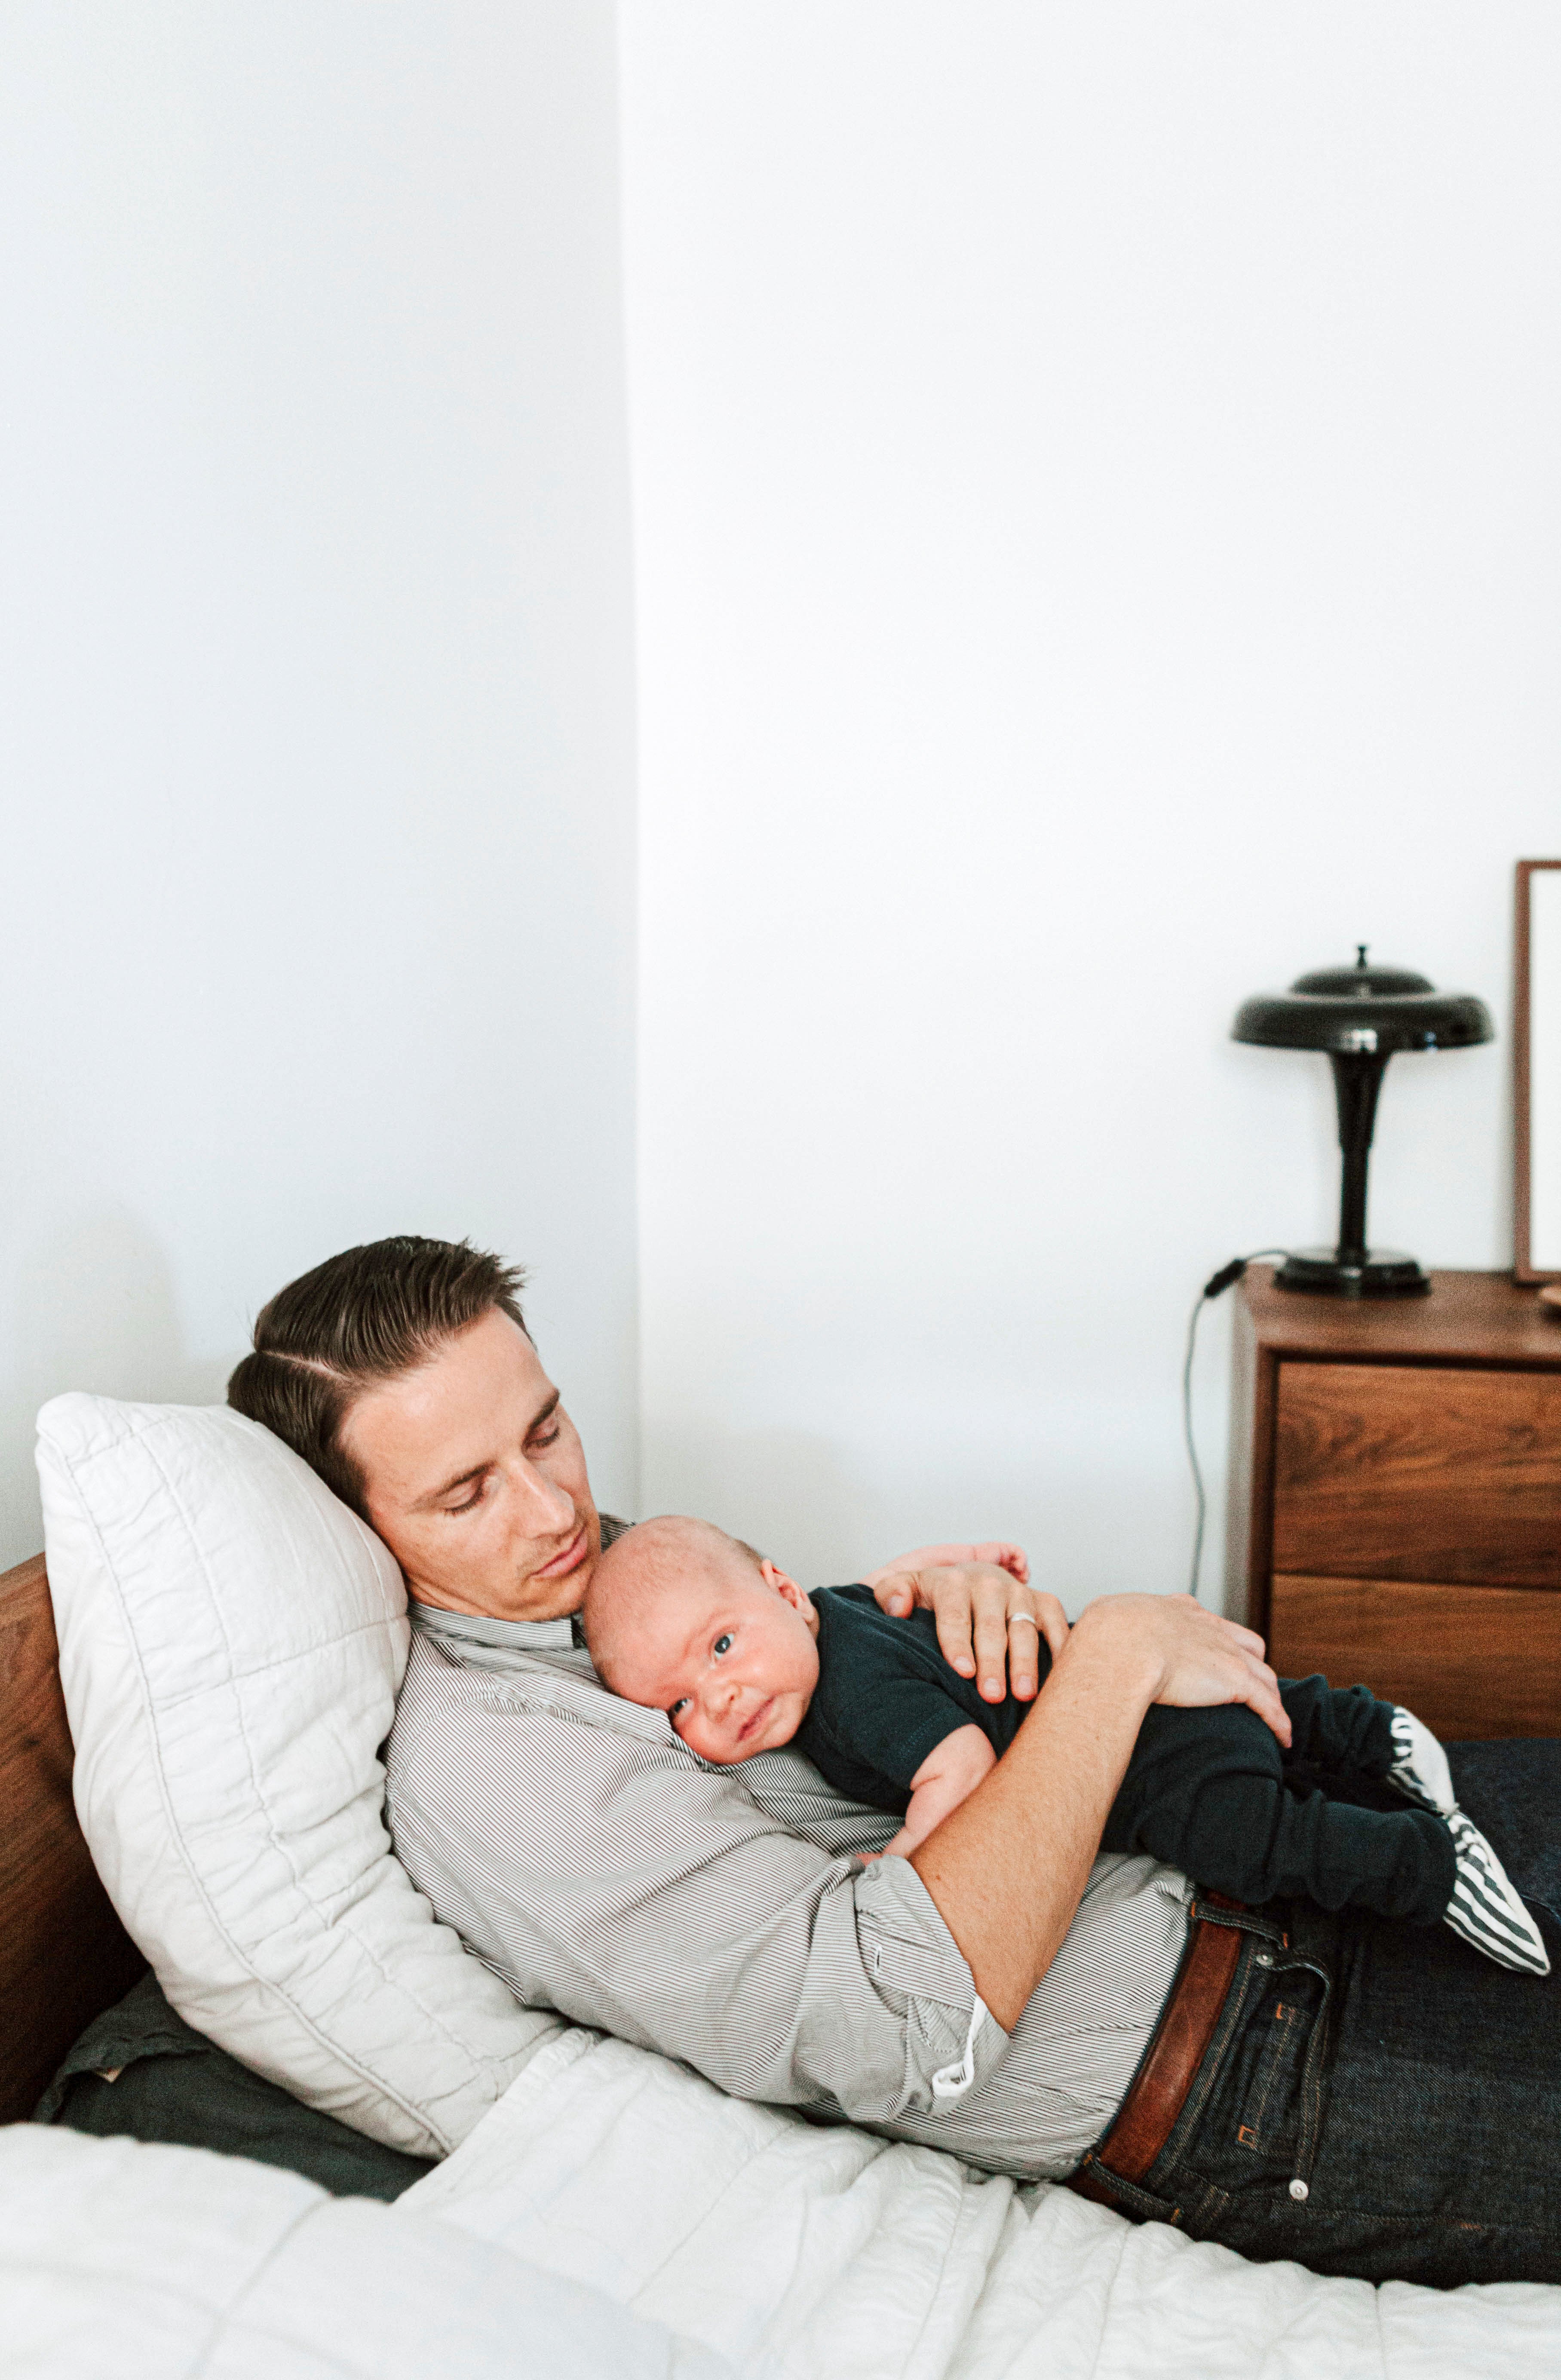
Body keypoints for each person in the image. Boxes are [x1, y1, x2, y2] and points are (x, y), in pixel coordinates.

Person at [228, 1234, 1561, 2288]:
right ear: (355, 1531)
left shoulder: (586, 1583)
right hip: (1247, 2055)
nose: (556, 1506)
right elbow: (902, 2027)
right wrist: (1114, 1658)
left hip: (1258, 1852)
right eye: (466, 1493)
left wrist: (917, 1616)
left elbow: (798, 1667)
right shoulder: (501, 1771)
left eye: (544, 1430)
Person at [580, 1515, 1548, 1972]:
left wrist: (901, 1864)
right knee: (1274, 1717)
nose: (723, 1697)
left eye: (718, 1646)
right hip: (1160, 1680)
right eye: (676, 1707)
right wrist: (939, 1562)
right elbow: (903, 1585)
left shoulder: (844, 1704)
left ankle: (1427, 1864)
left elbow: (961, 1766)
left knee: (1248, 1840)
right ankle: (1368, 1726)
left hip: (1140, 1749)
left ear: (783, 1592)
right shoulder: (843, 1609)